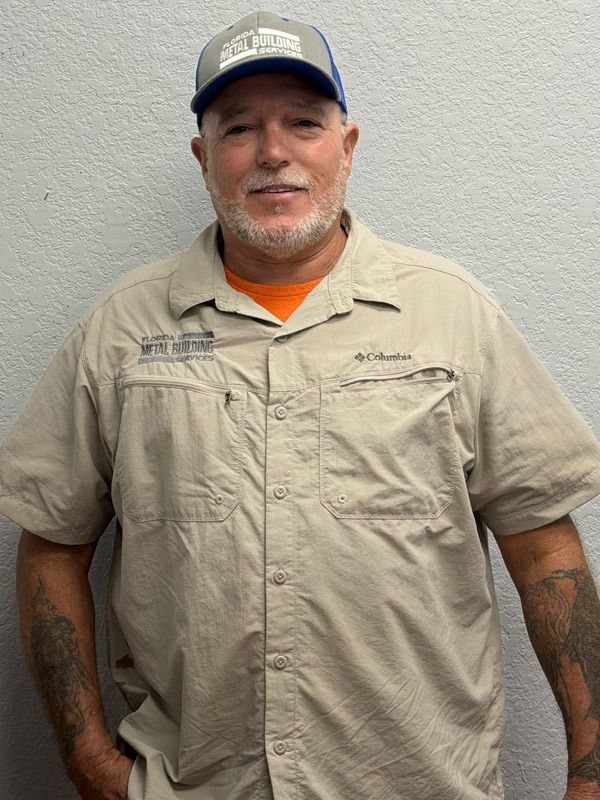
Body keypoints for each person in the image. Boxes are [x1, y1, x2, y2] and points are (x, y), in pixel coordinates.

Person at [2, 9, 600, 800]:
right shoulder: (119, 332)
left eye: (303, 123)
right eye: (240, 127)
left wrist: (590, 771)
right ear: (204, 157)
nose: (273, 152)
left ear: (345, 148)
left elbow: (544, 550)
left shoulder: (454, 316)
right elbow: (53, 544)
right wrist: (87, 759)